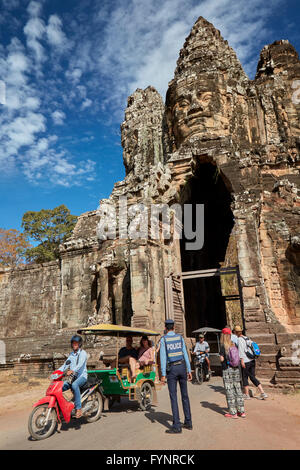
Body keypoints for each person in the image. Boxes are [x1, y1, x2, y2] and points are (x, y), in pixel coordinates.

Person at [160, 319, 193, 434]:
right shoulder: (179, 338)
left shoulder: (164, 339)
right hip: (182, 366)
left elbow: (163, 358)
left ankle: (177, 426)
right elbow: (185, 353)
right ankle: (188, 422)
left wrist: (163, 374)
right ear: (173, 327)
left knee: (173, 397)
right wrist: (189, 370)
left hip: (172, 369)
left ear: (165, 327)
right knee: (185, 395)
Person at [234, 325, 268, 400]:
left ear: (236, 332)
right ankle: (262, 393)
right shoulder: (247, 338)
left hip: (246, 361)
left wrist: (241, 361)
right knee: (252, 377)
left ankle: (247, 394)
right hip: (252, 360)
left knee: (245, 377)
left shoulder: (239, 339)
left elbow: (241, 350)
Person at [59, 334, 87, 419]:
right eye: (73, 343)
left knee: (74, 385)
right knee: (62, 386)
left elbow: (80, 365)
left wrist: (72, 370)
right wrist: (56, 372)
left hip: (82, 377)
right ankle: (67, 405)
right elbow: (65, 365)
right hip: (73, 377)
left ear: (79, 344)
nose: (74, 345)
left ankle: (78, 408)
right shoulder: (71, 355)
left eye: (76, 343)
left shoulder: (83, 353)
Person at [219, 327, 245, 419]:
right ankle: (241, 411)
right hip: (236, 369)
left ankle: (233, 413)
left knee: (229, 390)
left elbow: (222, 359)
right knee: (238, 388)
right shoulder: (234, 344)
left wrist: (222, 360)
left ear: (223, 335)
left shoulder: (223, 346)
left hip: (227, 370)